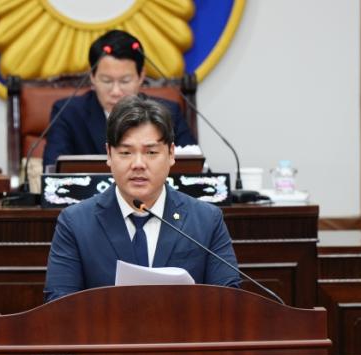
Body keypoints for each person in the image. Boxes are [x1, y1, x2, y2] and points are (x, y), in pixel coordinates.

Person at [43, 96, 240, 302]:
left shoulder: (206, 220)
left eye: (151, 152)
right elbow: (59, 303)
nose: (138, 164)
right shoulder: (76, 223)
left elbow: (228, 302)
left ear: (171, 154)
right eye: (126, 152)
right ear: (109, 154)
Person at [42, 29, 197, 169]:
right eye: (107, 81)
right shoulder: (68, 113)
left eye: (125, 81)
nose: (116, 91)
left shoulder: (169, 113)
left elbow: (195, 167)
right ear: (92, 77)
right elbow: (52, 170)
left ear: (141, 76)